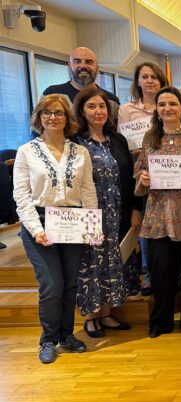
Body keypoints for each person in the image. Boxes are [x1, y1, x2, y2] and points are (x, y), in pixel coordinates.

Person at [13, 94, 97, 363]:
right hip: (38, 224)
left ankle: (67, 335)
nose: (53, 117)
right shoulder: (26, 152)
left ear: (67, 118)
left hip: (72, 223)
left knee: (70, 285)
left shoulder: (81, 152)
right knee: (51, 285)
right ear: (39, 117)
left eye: (59, 112)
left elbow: (88, 191)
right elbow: (22, 196)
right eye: (47, 112)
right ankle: (48, 340)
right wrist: (37, 230)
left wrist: (93, 227)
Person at [134, 86, 181, 339]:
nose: (167, 108)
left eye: (172, 104)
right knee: (163, 272)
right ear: (156, 109)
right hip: (159, 214)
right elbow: (140, 169)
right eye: (162, 104)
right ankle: (161, 321)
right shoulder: (149, 138)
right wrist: (143, 177)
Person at [71, 86, 142, 338]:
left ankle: (108, 313)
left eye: (102, 106)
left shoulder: (118, 139)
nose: (98, 111)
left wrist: (135, 207)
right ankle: (92, 316)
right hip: (90, 212)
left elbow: (130, 176)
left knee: (116, 261)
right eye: (92, 106)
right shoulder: (75, 142)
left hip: (119, 211)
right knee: (91, 264)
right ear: (81, 110)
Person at [118, 61, 168, 296]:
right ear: (138, 81)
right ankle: (149, 275)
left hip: (167, 174)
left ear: (161, 81)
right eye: (144, 77)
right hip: (142, 174)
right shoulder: (127, 110)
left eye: (154, 77)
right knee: (146, 227)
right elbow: (122, 142)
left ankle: (172, 273)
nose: (149, 81)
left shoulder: (166, 106)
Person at [42, 47, 120, 113]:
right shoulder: (52, 94)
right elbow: (38, 128)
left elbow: (116, 130)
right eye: (77, 61)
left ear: (97, 68)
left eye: (89, 62)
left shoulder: (111, 100)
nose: (83, 66)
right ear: (69, 66)